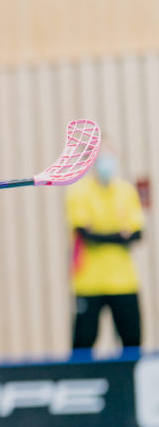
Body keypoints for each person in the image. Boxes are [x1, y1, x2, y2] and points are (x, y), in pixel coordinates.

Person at [67, 148, 144, 351]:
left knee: (132, 340)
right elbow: (85, 235)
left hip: (123, 282)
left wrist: (100, 234)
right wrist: (119, 235)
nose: (106, 162)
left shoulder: (126, 191)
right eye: (101, 157)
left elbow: (137, 234)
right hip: (89, 282)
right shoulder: (79, 192)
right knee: (83, 342)